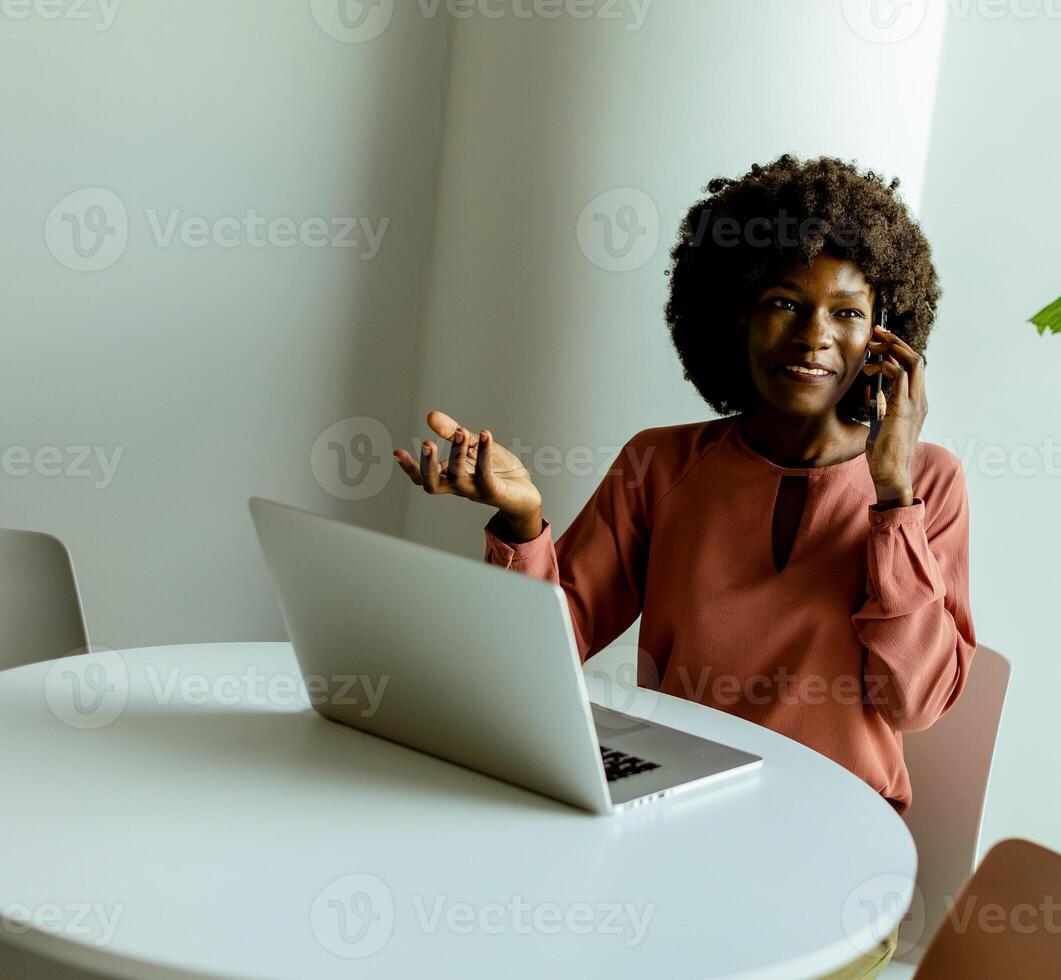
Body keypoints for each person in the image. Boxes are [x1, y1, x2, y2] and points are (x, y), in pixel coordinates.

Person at [395, 155, 974, 979]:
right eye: (783, 303)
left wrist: (891, 493)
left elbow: (914, 701)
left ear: (885, 338)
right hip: (672, 831)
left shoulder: (929, 484)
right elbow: (540, 660)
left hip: (833, 862)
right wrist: (523, 521)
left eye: (847, 312)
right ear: (733, 316)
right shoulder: (660, 467)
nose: (815, 337)